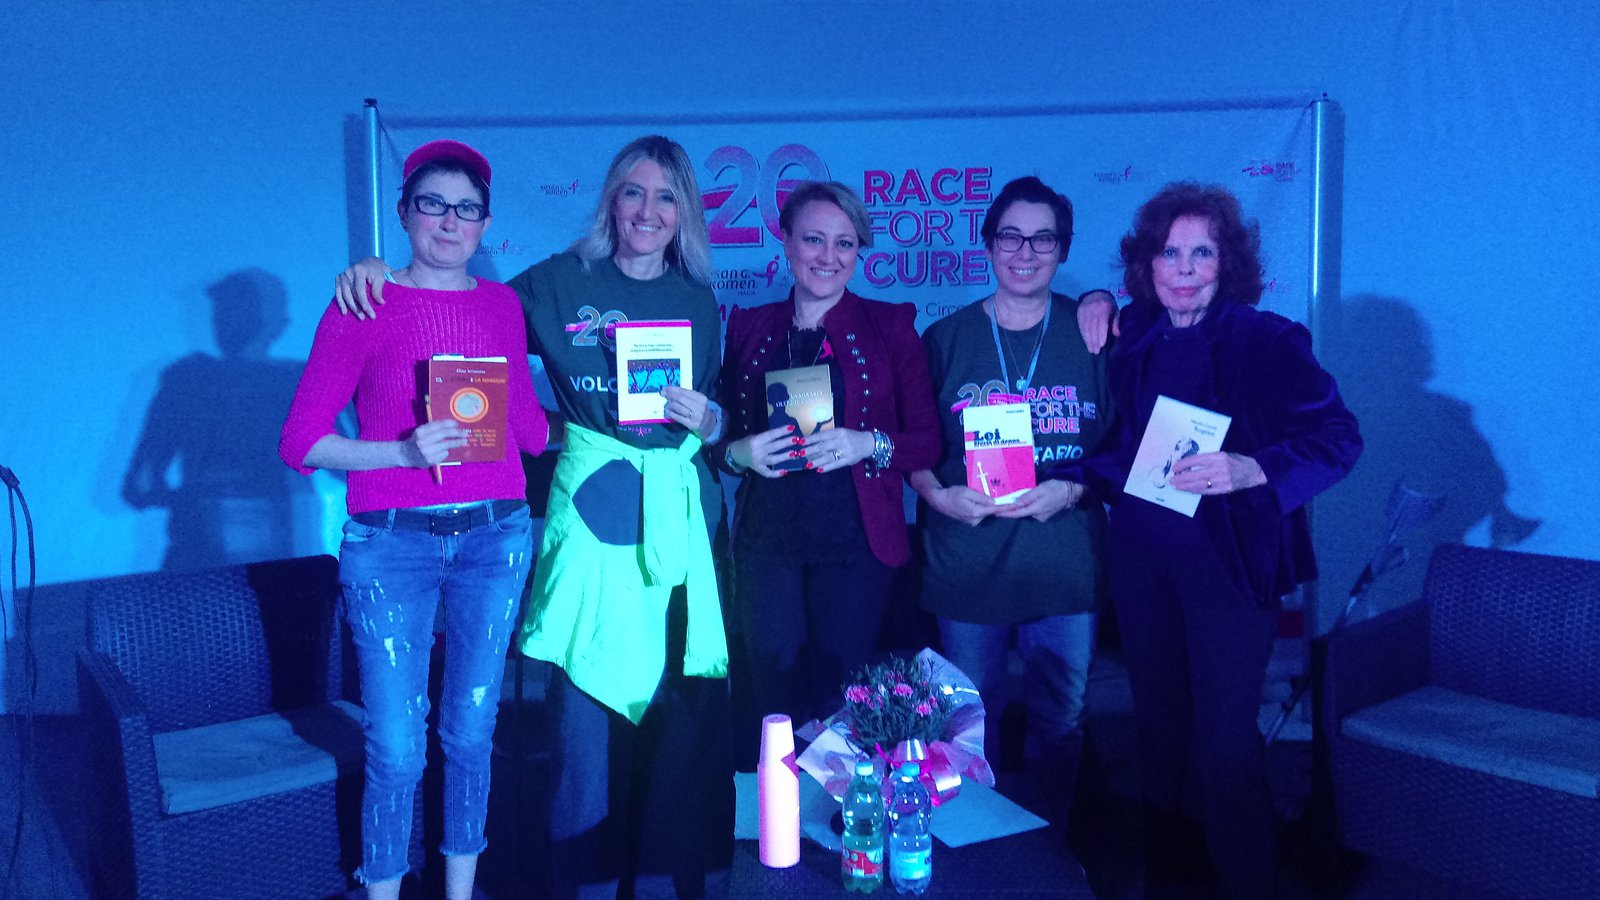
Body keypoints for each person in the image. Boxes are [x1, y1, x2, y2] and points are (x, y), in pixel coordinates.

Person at [335, 134, 730, 900]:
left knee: (671, 719)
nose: (647, 211)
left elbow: (716, 418)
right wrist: (381, 269)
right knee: (584, 725)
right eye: (634, 191)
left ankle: (656, 883)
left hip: (678, 525)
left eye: (666, 196)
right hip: (591, 526)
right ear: (611, 199)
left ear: (685, 211)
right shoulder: (554, 281)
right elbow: (457, 301)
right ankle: (583, 883)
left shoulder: (697, 301)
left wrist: (711, 421)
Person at [1053, 182, 1362, 898]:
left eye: (1203, 253)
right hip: (1142, 561)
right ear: (1148, 264)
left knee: (1224, 750)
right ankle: (1173, 880)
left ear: (1228, 263)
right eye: (1171, 253)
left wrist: (1253, 467)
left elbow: (1339, 438)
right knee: (1160, 736)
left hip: (1227, 568)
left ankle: (1248, 883)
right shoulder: (1136, 334)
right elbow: (1127, 450)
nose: (1185, 269)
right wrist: (1067, 479)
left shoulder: (1267, 339)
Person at [281, 139, 549, 900]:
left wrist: (622, 407)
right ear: (404, 212)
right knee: (397, 749)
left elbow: (529, 433)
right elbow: (300, 442)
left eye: (467, 209)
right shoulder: (363, 301)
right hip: (391, 543)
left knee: (471, 733)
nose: (449, 221)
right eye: (433, 204)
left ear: (486, 224)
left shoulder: (501, 305)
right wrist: (400, 451)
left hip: (496, 534)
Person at [909, 176, 1112, 824]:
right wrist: (938, 496)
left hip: (1063, 564)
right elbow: (912, 447)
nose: (1025, 252)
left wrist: (1075, 487)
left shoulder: (1094, 336)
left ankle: (1052, 848)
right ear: (988, 244)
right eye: (1010, 237)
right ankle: (980, 847)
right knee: (968, 726)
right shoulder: (945, 340)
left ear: (1063, 249)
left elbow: (1125, 445)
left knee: (1062, 720)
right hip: (968, 561)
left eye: (1042, 239)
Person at [717, 181, 940, 736]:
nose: (829, 256)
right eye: (814, 239)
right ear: (786, 240)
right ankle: (774, 795)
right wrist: (738, 453)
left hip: (855, 544)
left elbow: (928, 442)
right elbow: (722, 438)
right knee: (771, 697)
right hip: (767, 542)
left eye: (845, 243)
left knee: (838, 699)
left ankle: (836, 794)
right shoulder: (750, 326)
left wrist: (868, 443)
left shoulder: (889, 326)